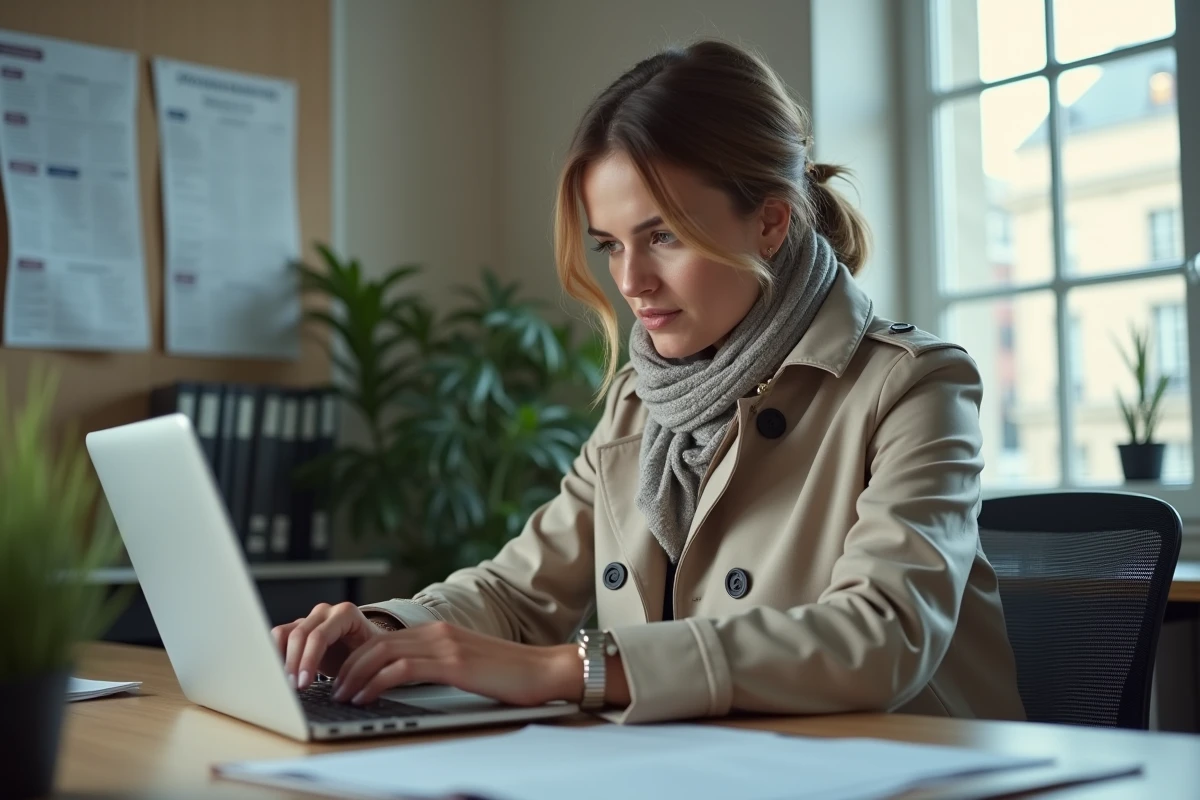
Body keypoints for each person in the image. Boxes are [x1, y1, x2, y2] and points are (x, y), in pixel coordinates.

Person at [272, 39, 1026, 724]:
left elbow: (881, 635)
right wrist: (384, 630)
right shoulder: (643, 400)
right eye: (609, 245)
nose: (630, 281)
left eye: (663, 235)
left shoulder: (914, 384)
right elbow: (519, 591)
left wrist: (572, 669)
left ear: (770, 222)